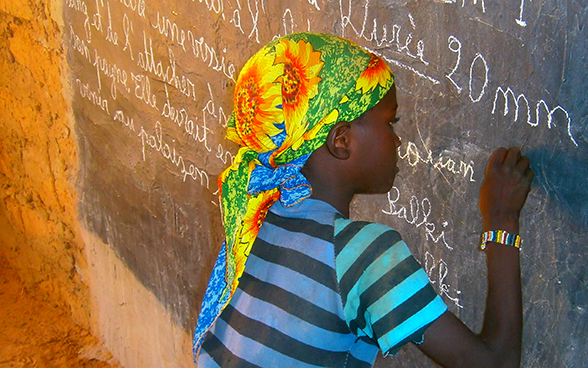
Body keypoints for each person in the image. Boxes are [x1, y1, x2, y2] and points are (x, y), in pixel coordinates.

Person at [193, 32, 534, 368]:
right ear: (341, 140)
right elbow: (496, 363)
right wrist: (502, 219)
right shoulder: (363, 254)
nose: (398, 141)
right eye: (390, 122)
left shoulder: (253, 218)